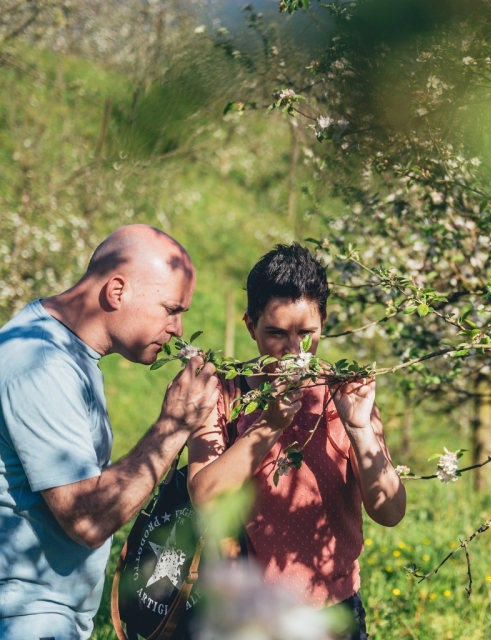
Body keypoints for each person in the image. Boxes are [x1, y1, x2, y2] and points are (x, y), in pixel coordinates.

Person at [0, 225, 220, 640]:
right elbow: (87, 518)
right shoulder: (43, 366)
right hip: (24, 617)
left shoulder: (66, 352)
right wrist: (174, 426)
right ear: (117, 291)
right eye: (171, 309)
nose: (177, 329)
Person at [187, 243, 406, 639]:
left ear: (324, 322)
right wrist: (267, 426)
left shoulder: (346, 394)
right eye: (275, 334)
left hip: (333, 610)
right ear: (250, 325)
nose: (293, 352)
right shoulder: (223, 395)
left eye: (307, 334)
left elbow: (390, 511)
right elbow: (205, 493)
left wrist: (359, 429)